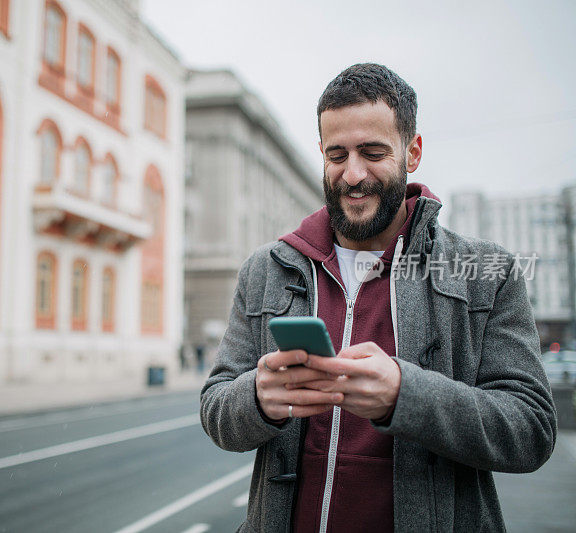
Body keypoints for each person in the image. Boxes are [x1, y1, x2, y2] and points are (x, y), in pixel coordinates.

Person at [200, 63, 557, 533]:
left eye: (372, 152)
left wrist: (405, 395)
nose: (352, 175)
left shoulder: (485, 272)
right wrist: (257, 398)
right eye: (336, 154)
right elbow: (215, 408)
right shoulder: (266, 268)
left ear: (413, 151)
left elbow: (531, 430)